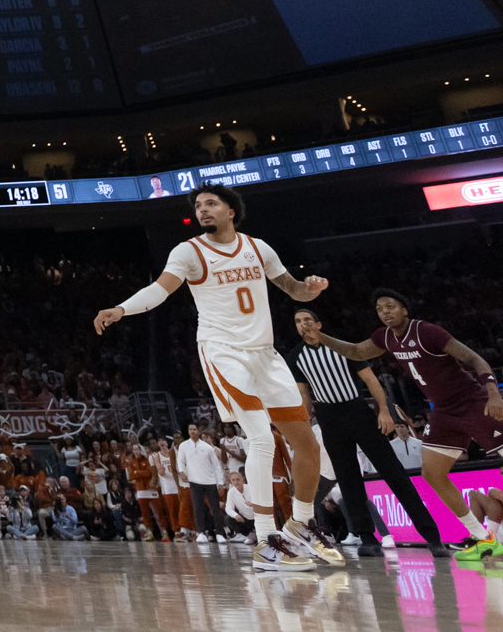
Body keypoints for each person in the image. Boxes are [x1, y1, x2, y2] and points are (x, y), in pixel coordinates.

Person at [94, 185, 340, 572]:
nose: (203, 209)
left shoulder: (259, 248)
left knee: (306, 443)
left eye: (211, 203)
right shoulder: (189, 251)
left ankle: (300, 524)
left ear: (231, 211)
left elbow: (291, 288)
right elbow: (160, 291)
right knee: (260, 438)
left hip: (264, 353)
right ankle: (265, 541)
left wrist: (308, 290)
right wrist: (122, 309)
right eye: (198, 205)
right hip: (223, 351)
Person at [302, 289, 503, 564]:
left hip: (473, 402)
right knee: (432, 473)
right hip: (443, 411)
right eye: (380, 309)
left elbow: (474, 359)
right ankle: (482, 539)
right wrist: (320, 336)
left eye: (390, 306)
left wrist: (493, 393)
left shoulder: (428, 332)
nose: (385, 312)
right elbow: (357, 351)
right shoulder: (384, 337)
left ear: (404, 310)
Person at [285, 306, 446, 558]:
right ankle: (367, 537)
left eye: (307, 319)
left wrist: (384, 411)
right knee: (348, 481)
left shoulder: (344, 347)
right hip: (328, 417)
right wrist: (303, 428)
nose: (303, 324)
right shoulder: (294, 356)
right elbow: (304, 396)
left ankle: (432, 535)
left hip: (357, 410)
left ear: (319, 325)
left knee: (394, 473)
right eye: (298, 321)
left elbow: (371, 380)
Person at [176, 423, 227, 543]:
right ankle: (202, 532)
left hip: (210, 482)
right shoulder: (183, 446)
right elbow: (180, 460)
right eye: (190, 429)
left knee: (215, 508)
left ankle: (219, 533)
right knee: (198, 508)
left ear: (199, 431)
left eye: (194, 429)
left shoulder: (207, 447)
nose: (192, 431)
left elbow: (216, 466)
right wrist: (182, 472)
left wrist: (220, 483)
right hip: (194, 481)